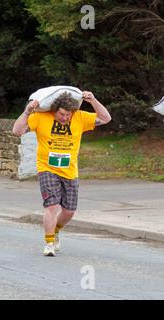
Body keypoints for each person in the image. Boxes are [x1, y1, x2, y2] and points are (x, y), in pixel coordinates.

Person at [12, 91, 111, 256]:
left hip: (70, 170)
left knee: (69, 210)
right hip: (47, 168)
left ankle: (56, 230)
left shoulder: (80, 117)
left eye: (68, 115)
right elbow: (17, 131)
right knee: (51, 205)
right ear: (54, 110)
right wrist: (27, 111)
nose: (65, 118)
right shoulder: (41, 117)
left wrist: (93, 100)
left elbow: (106, 118)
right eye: (62, 114)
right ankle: (49, 243)